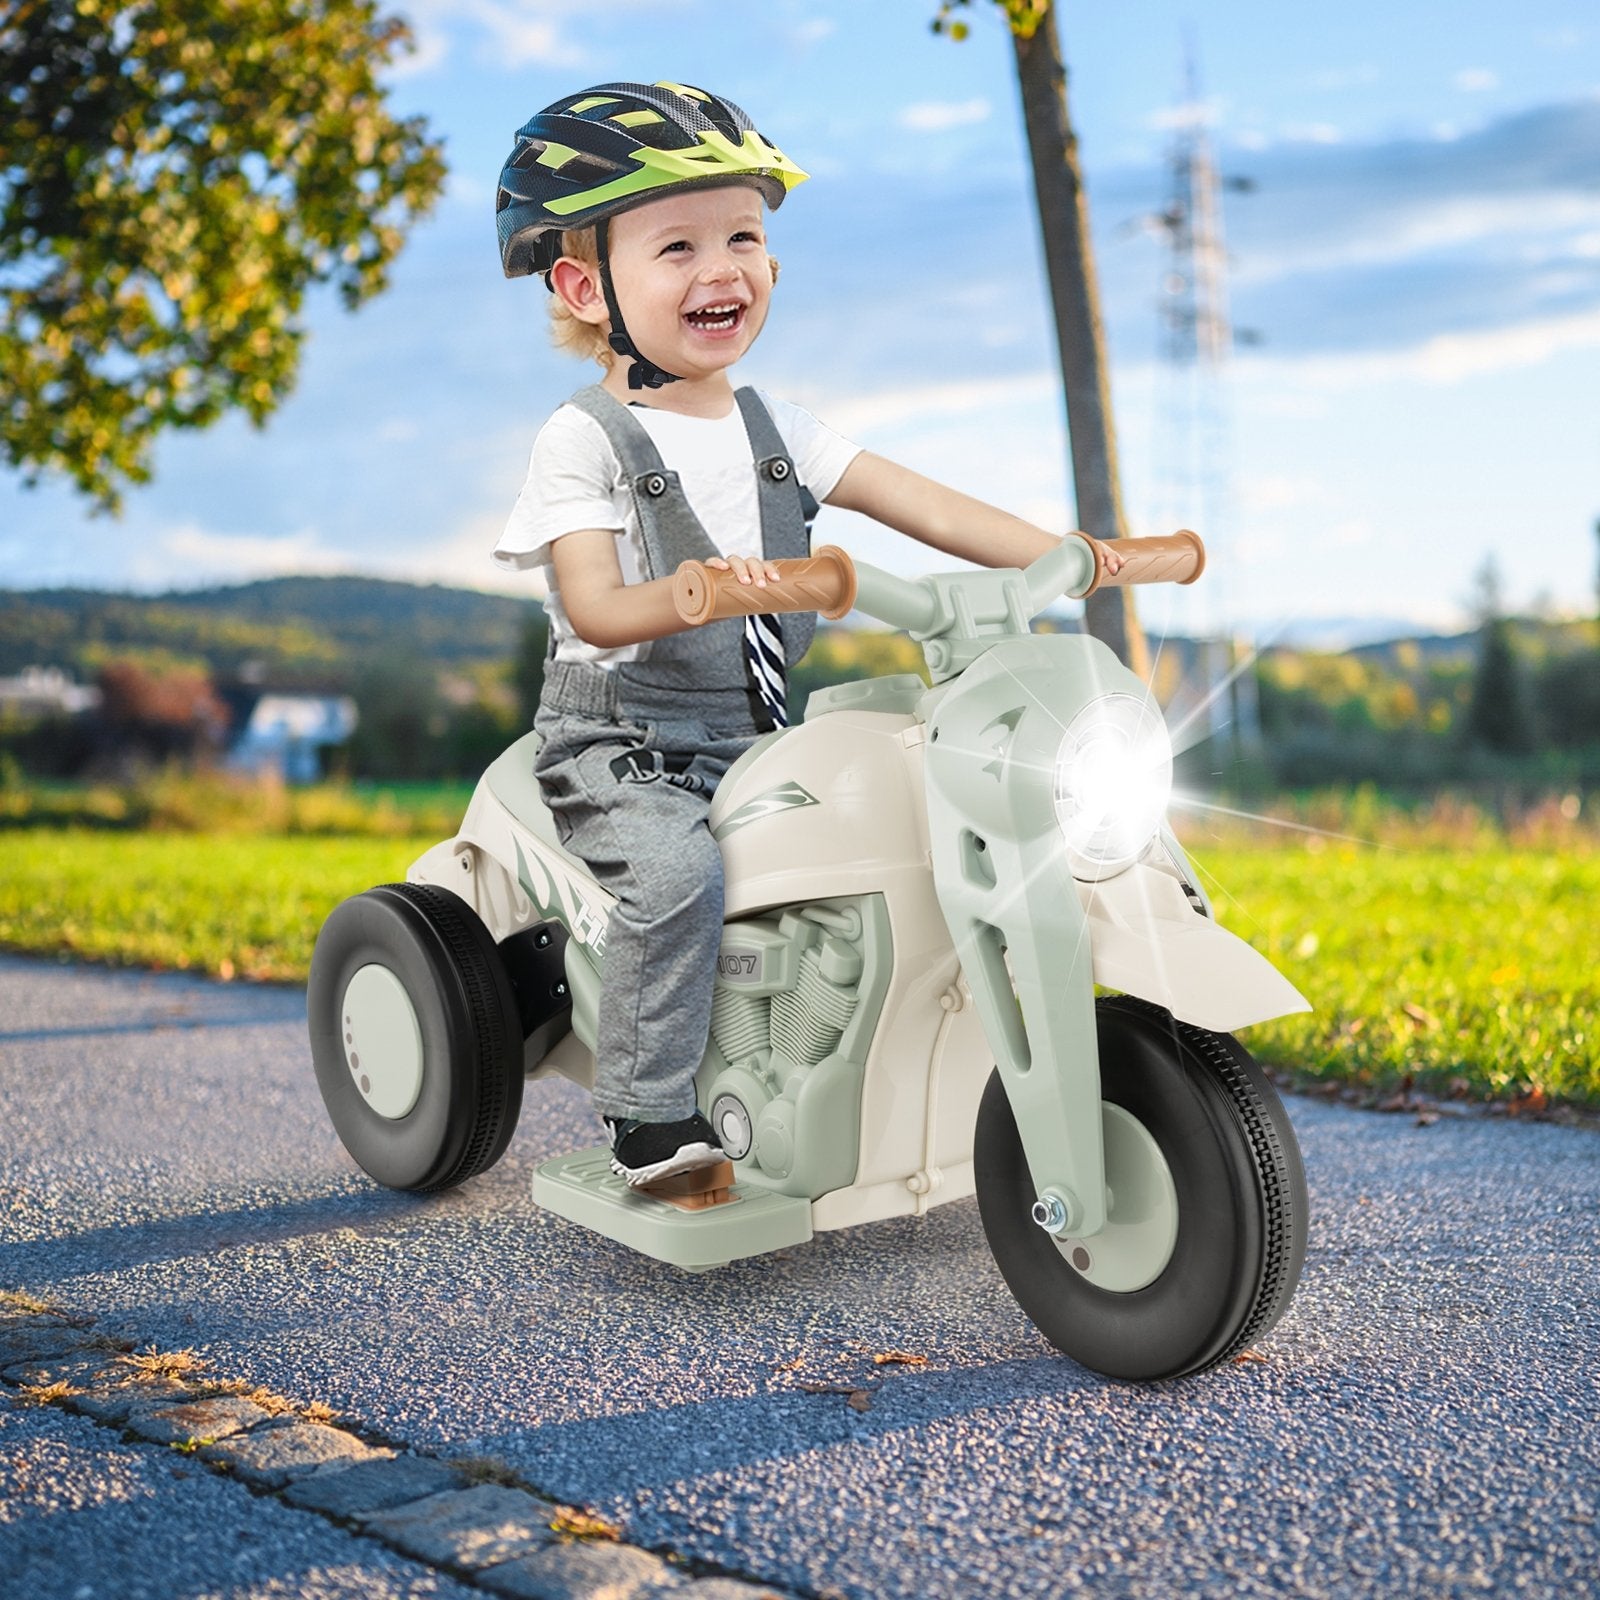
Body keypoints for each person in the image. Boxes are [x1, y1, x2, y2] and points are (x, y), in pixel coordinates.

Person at [491, 81, 1119, 1189]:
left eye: (743, 235)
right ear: (588, 288)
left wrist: (1063, 553)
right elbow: (592, 601)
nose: (721, 267)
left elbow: (923, 504)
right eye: (676, 246)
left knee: (910, 797)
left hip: (752, 730)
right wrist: (692, 592)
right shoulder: (581, 441)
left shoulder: (780, 430)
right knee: (677, 870)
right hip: (620, 742)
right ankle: (648, 1114)